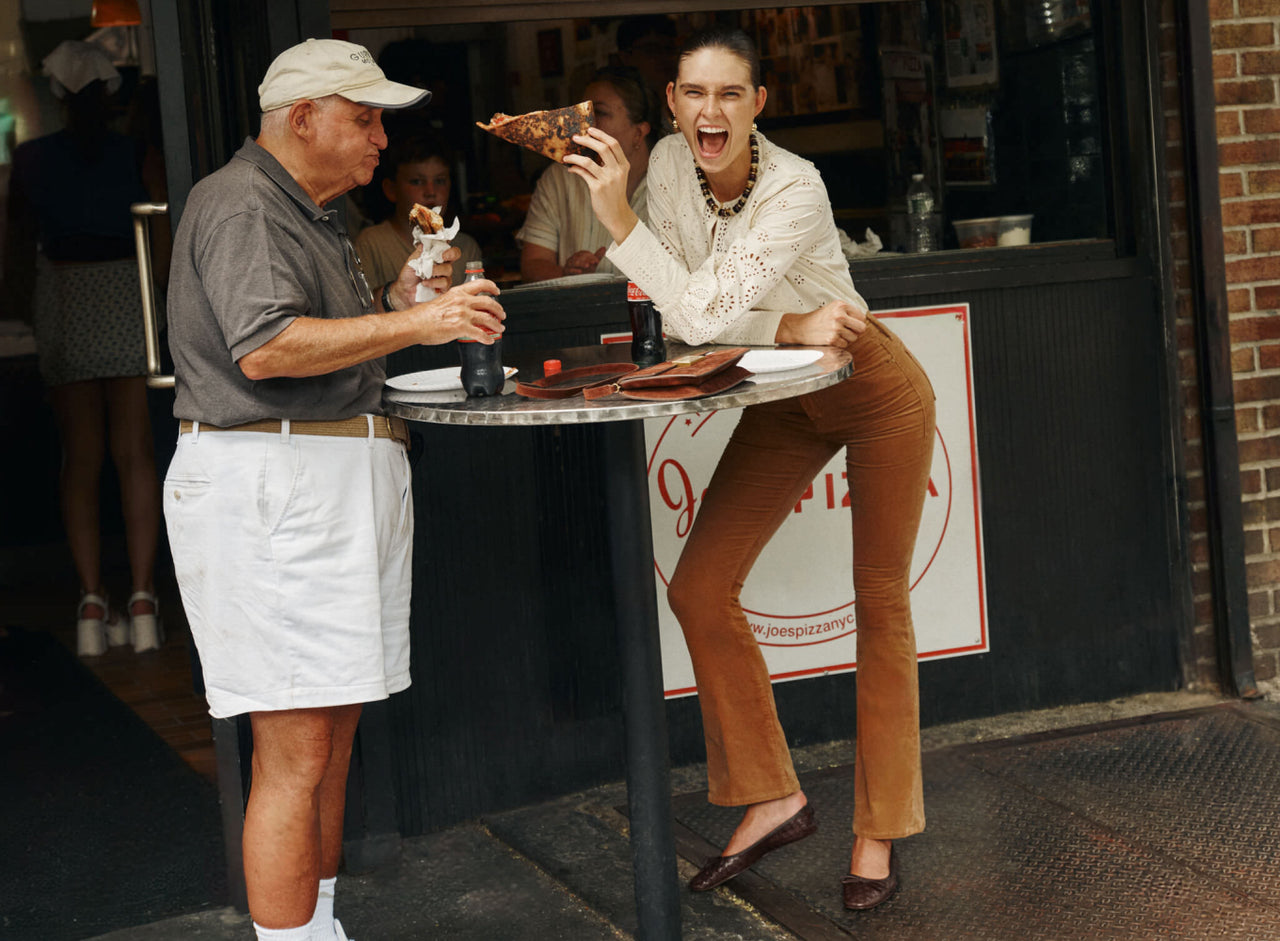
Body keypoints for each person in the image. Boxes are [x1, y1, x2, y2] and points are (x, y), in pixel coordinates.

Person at [566, 27, 935, 911]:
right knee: (699, 587)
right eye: (695, 93)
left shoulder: (795, 186)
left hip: (871, 386)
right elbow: (685, 316)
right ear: (672, 103)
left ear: (758, 104)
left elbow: (700, 312)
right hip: (784, 385)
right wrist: (788, 325)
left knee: (880, 601)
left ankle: (879, 829)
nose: (711, 111)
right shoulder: (666, 165)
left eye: (730, 93)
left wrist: (617, 221)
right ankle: (772, 795)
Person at [161, 38, 504, 941]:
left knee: (331, 739)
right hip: (276, 485)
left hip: (319, 481)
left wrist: (397, 301)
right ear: (303, 117)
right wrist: (424, 322)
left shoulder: (310, 209)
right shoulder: (243, 202)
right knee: (298, 748)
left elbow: (314, 336)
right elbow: (267, 347)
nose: (382, 140)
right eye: (365, 119)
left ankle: (320, 929)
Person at [3, 40, 163, 656]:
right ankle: (144, 600)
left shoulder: (32, 159)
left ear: (57, 95)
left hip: (65, 292)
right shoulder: (136, 153)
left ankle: (92, 601)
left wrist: (25, 311)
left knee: (81, 459)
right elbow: (161, 235)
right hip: (127, 290)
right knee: (135, 454)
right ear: (107, 92)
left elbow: (18, 249)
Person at [517, 66, 656, 283]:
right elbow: (532, 264)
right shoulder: (560, 179)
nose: (583, 123)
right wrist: (566, 276)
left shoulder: (669, 182)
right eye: (582, 113)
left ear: (638, 132)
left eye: (599, 112)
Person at [354, 132, 481, 288]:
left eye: (440, 181)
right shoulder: (371, 244)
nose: (431, 191)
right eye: (417, 181)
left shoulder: (466, 247)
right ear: (391, 190)